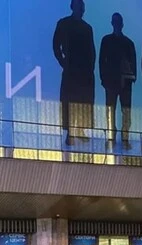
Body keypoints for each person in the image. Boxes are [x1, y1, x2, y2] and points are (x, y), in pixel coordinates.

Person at [53, 0, 95, 145]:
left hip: (85, 71)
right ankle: (70, 132)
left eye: (82, 7)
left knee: (83, 100)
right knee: (69, 99)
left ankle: (81, 129)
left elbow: (91, 50)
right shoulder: (64, 23)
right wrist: (62, 61)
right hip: (71, 69)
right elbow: (56, 44)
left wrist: (91, 68)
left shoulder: (87, 28)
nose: (81, 9)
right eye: (78, 6)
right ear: (73, 7)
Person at [99, 12, 136, 150]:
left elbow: (133, 63)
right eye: (115, 21)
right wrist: (103, 78)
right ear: (112, 23)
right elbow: (102, 61)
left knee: (126, 112)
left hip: (125, 83)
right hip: (111, 82)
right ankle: (111, 137)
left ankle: (125, 138)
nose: (117, 24)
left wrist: (133, 79)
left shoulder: (128, 43)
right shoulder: (106, 40)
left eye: (118, 21)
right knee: (111, 111)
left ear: (121, 24)